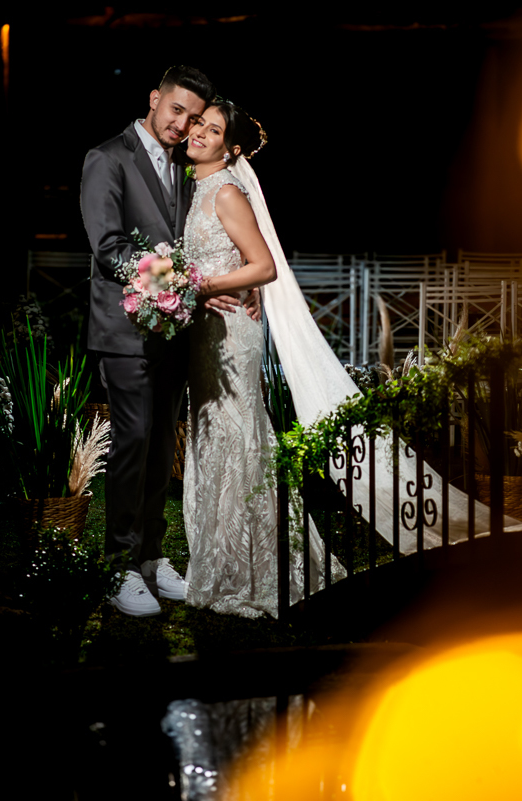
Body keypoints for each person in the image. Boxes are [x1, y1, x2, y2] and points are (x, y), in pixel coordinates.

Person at [80, 66, 253, 617]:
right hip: (124, 330)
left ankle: (152, 559)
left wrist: (205, 288)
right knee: (132, 442)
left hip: (175, 331)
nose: (183, 124)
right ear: (154, 100)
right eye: (176, 110)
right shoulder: (106, 158)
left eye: (194, 117)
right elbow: (109, 248)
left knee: (160, 449)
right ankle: (119, 566)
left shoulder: (184, 167)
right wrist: (178, 283)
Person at [181, 101, 343, 618]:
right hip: (206, 330)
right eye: (199, 124)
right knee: (212, 432)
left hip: (232, 335)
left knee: (237, 434)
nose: (200, 133)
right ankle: (218, 555)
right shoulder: (195, 188)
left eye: (213, 129)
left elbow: (264, 266)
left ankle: (249, 567)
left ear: (231, 148)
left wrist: (200, 284)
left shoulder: (226, 191)